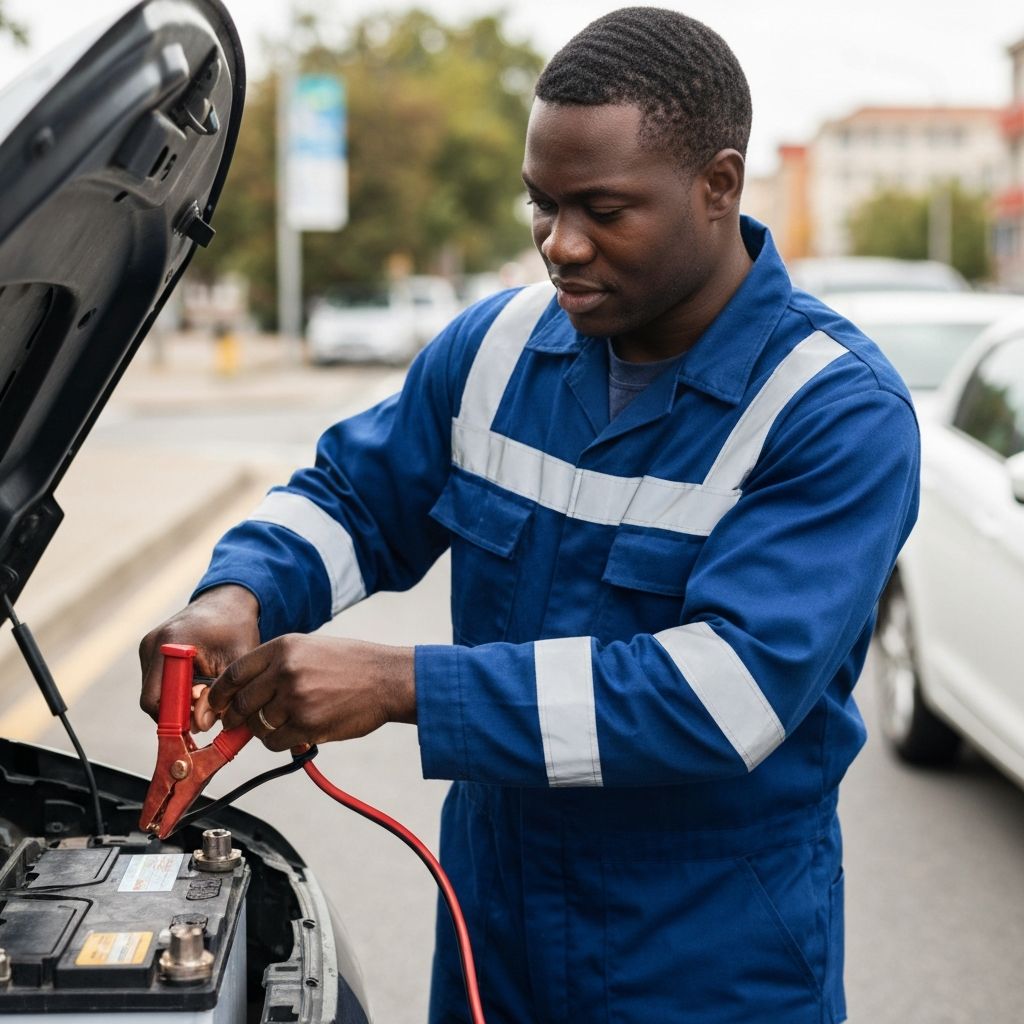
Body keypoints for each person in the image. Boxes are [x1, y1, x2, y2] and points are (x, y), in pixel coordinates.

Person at [140, 8, 920, 1022]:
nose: (560, 243)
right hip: (494, 929)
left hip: (706, 957)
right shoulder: (498, 346)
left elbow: (724, 693)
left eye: (603, 209)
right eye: (540, 205)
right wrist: (238, 595)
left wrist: (397, 682)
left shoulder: (833, 410)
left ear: (718, 186)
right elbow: (353, 496)